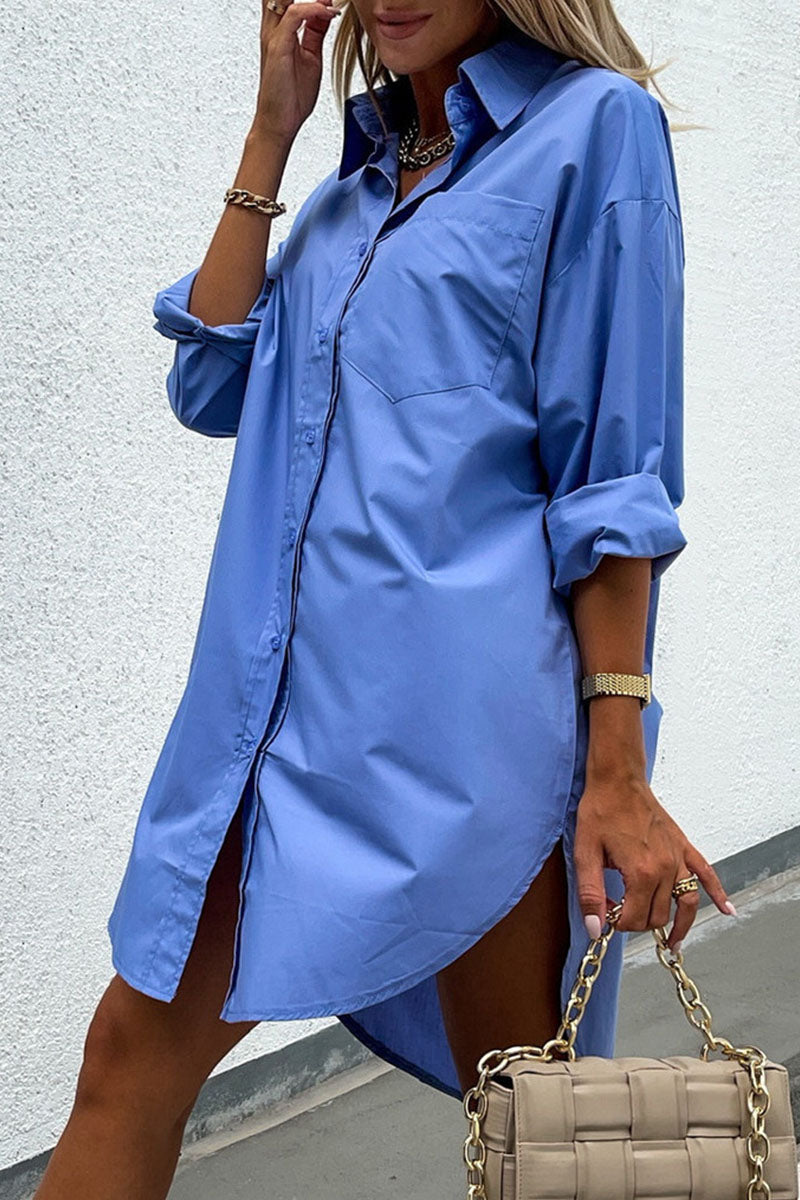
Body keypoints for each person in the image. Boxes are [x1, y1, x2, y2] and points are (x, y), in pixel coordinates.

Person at [34, 1, 738, 1197]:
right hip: (269, 732)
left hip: (465, 746)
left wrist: (615, 768)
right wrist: (270, 133)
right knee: (125, 1059)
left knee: (530, 1126)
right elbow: (209, 381)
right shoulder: (355, 188)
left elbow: (612, 479)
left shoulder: (592, 128)